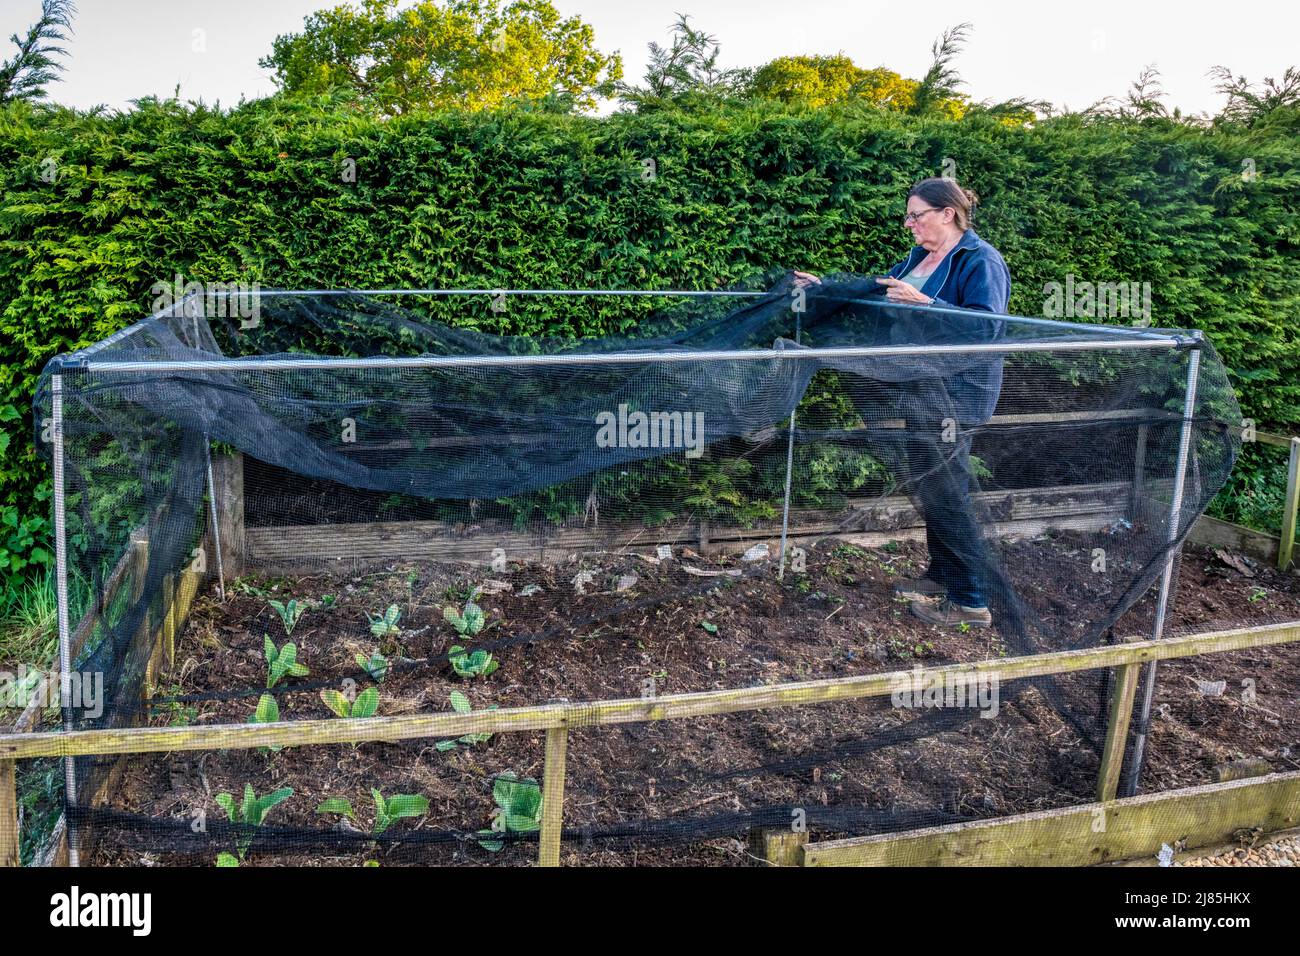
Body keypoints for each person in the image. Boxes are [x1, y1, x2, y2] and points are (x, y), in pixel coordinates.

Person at [793, 176, 1010, 628]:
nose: (909, 224)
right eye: (908, 217)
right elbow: (877, 288)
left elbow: (987, 328)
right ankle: (941, 575)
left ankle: (970, 601)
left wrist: (926, 304)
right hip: (920, 390)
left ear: (946, 214)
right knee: (930, 485)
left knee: (949, 493)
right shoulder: (921, 257)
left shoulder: (980, 260)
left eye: (916, 215)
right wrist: (825, 286)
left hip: (957, 397)